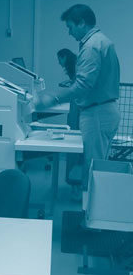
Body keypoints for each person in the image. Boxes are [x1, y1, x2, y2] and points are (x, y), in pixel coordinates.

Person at [35, 4, 120, 192]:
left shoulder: (91, 47)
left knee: (92, 172)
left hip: (97, 112)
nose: (69, 33)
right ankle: (94, 212)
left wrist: (53, 98)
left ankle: (90, 216)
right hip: (105, 109)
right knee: (98, 167)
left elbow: (83, 85)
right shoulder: (102, 41)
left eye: (70, 27)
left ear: (81, 23)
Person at [56, 48, 82, 199]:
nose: (59, 62)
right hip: (78, 106)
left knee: (74, 140)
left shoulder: (76, 65)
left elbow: (79, 85)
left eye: (59, 59)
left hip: (78, 107)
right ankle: (75, 186)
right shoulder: (76, 64)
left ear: (65, 57)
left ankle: (76, 185)